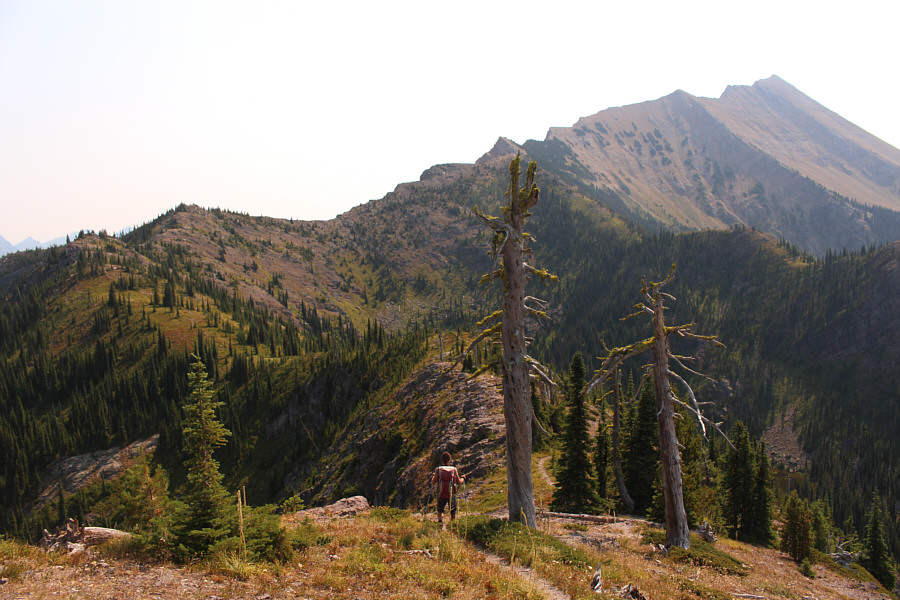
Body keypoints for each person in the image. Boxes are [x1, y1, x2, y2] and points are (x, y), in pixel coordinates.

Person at [431, 451, 464, 523]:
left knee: (440, 509)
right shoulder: (454, 469)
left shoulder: (438, 469)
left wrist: (434, 476)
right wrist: (463, 478)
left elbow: (433, 482)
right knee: (453, 510)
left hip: (441, 492)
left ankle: (440, 520)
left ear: (442, 460)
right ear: (449, 459)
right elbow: (458, 481)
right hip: (451, 493)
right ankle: (453, 524)